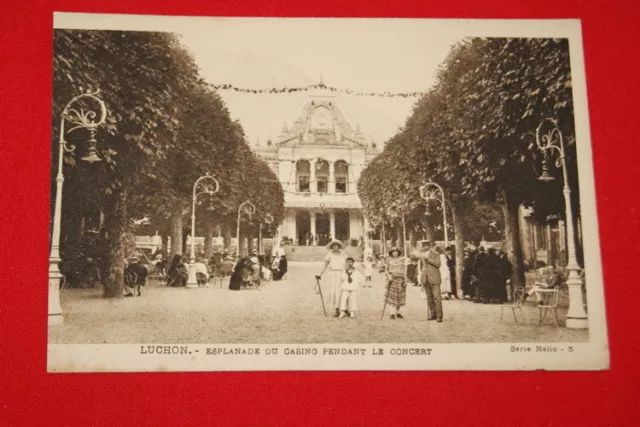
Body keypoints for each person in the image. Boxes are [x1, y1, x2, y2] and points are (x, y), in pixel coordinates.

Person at [317, 239, 347, 317]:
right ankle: (337, 309)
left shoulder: (343, 254)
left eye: (336, 245)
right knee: (335, 291)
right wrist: (320, 273)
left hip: (342, 274)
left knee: (344, 291)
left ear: (339, 246)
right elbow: (325, 265)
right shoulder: (329, 254)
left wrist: (349, 274)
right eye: (333, 245)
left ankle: (344, 308)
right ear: (331, 247)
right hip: (333, 274)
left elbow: (347, 265)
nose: (335, 247)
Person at [416, 240, 443, 322]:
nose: (424, 247)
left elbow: (438, 264)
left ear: (429, 246)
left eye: (426, 245)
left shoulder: (436, 254)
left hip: (435, 278)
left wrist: (428, 259)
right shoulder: (421, 255)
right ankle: (433, 314)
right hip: (426, 278)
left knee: (437, 297)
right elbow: (421, 268)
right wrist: (422, 278)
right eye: (423, 246)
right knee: (429, 298)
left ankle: (439, 316)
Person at [384, 247, 407, 319]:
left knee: (399, 296)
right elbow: (386, 270)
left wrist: (405, 279)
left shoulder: (402, 260)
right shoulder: (388, 260)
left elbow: (405, 270)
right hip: (392, 279)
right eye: (393, 252)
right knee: (392, 296)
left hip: (400, 279)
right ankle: (392, 313)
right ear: (391, 252)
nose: (395, 253)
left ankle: (398, 312)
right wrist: (389, 276)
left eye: (396, 251)